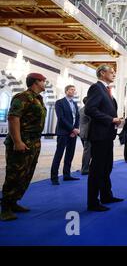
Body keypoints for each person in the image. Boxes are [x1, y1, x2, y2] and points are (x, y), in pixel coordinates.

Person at [1, 73, 47, 221]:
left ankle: (14, 202)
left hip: (34, 142)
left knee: (26, 174)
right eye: (43, 81)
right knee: (15, 174)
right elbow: (13, 118)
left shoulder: (38, 98)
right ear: (36, 82)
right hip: (22, 141)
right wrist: (17, 142)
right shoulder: (22, 97)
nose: (45, 83)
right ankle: (5, 207)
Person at [85, 65, 124, 212]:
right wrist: (111, 119)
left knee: (106, 167)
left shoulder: (107, 90)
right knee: (97, 169)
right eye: (111, 72)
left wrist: (115, 120)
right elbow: (90, 109)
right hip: (99, 135)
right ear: (102, 73)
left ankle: (106, 195)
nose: (114, 74)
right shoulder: (96, 87)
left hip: (107, 135)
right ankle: (93, 202)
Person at [50, 85, 80, 185]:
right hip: (63, 132)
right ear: (66, 91)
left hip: (73, 133)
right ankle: (54, 177)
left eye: (74, 90)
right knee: (59, 154)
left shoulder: (75, 104)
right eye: (72, 89)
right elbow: (61, 118)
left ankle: (66, 175)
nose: (73, 91)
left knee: (69, 154)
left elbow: (77, 118)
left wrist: (75, 130)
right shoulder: (59, 102)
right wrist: (72, 129)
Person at [79, 97, 91, 175]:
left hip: (83, 133)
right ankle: (85, 169)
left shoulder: (81, 109)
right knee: (87, 152)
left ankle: (86, 168)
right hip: (87, 133)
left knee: (87, 151)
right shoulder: (88, 110)